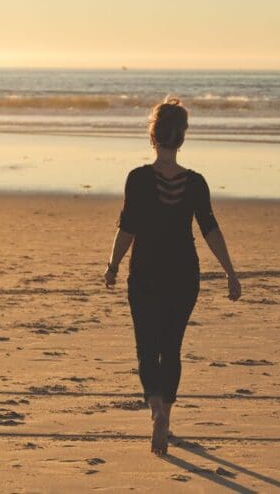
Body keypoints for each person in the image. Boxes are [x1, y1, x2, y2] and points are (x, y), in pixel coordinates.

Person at [103, 95, 241, 455]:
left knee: (147, 350)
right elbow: (210, 230)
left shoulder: (137, 179)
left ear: (153, 136)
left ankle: (156, 411)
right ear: (181, 138)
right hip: (184, 275)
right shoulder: (196, 183)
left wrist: (112, 265)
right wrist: (230, 272)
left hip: (145, 273)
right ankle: (168, 411)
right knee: (172, 347)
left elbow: (127, 229)